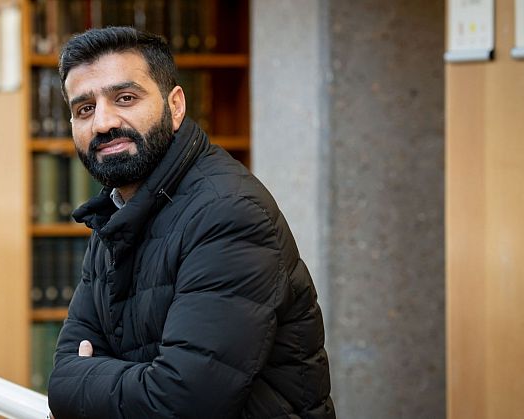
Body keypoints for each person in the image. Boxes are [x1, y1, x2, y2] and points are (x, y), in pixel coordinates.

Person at [47, 26, 335, 419]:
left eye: (125, 98)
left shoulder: (228, 214)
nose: (102, 123)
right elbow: (64, 366)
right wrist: (108, 379)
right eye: (84, 109)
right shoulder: (116, 213)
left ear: (176, 106)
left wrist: (81, 382)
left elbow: (183, 403)